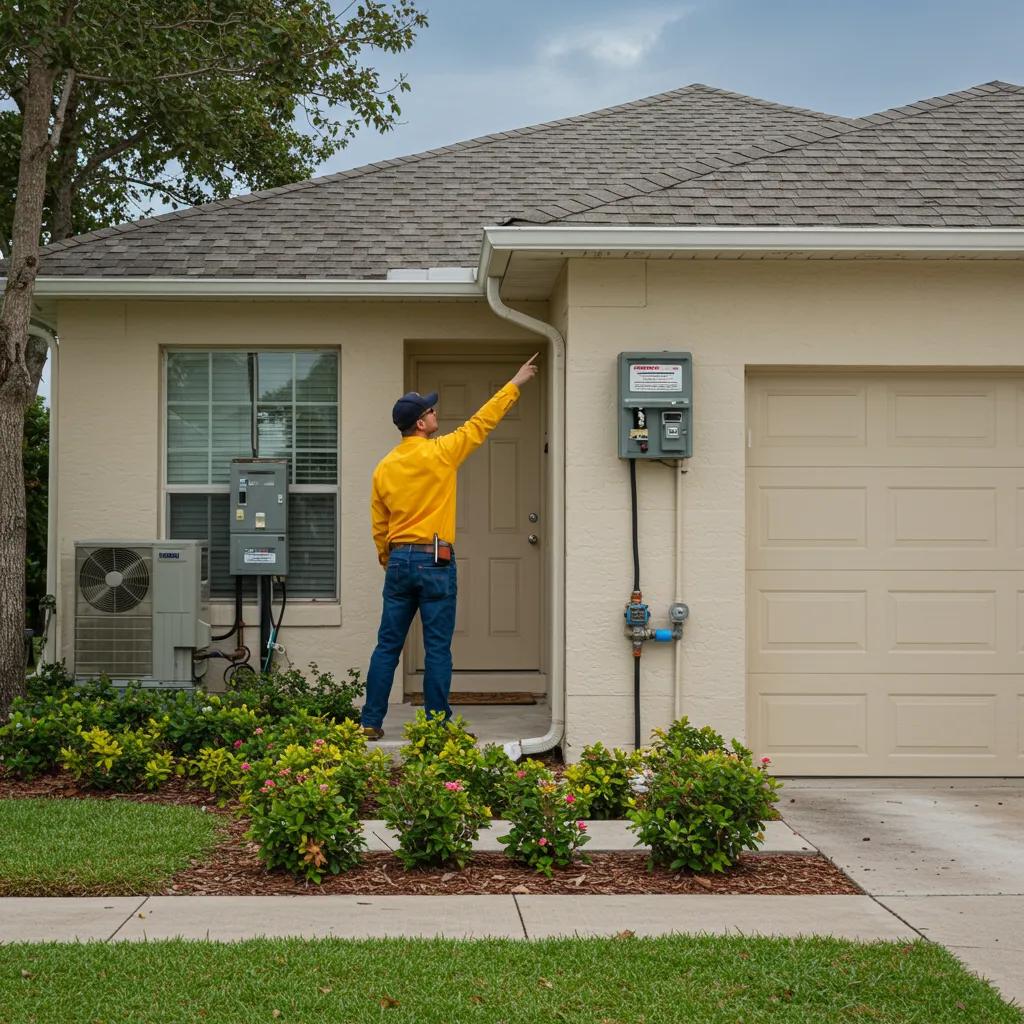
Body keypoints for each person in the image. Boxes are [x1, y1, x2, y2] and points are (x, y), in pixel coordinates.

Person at [360, 353, 540, 739]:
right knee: (437, 648)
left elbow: (379, 524)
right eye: (430, 409)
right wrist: (516, 383)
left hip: (398, 559)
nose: (435, 411)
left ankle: (370, 723)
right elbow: (482, 422)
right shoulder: (442, 452)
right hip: (434, 559)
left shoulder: (384, 467)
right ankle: (437, 727)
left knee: (387, 646)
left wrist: (388, 558)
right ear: (421, 423)